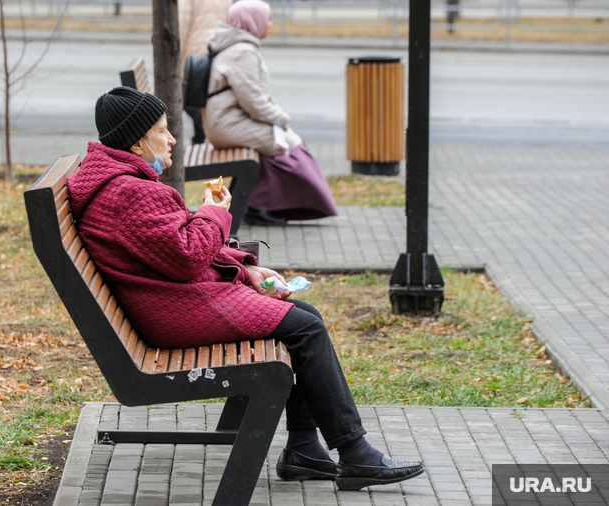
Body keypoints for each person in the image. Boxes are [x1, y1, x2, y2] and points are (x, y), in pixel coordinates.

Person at [67, 86, 425, 490]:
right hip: (178, 310)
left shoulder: (124, 182)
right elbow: (186, 255)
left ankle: (306, 449)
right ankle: (355, 452)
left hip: (175, 300)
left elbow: (177, 248)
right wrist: (217, 211)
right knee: (305, 330)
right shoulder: (129, 192)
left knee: (307, 319)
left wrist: (246, 267)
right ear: (136, 141)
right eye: (163, 130)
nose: (171, 139)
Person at [203, 0, 338, 226]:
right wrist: (280, 119)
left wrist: (277, 118)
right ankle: (275, 204)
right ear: (252, 21)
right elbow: (253, 102)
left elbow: (252, 98)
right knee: (287, 143)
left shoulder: (239, 47)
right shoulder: (241, 51)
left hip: (227, 122)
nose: (272, 24)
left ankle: (262, 204)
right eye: (267, 19)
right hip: (228, 126)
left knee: (280, 138)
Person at [179, 0, 233, 144]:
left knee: (189, 100)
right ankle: (200, 137)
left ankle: (199, 138)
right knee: (202, 100)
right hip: (214, 51)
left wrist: (175, 61)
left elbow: (180, 27)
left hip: (194, 54)